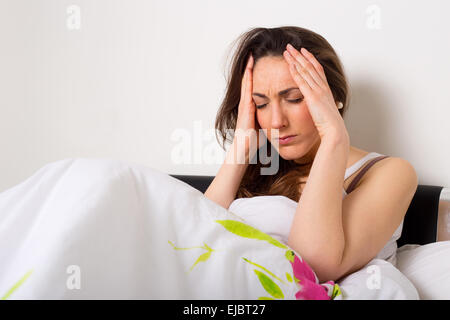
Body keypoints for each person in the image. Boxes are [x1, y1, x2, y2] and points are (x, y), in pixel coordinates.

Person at [204, 26, 418, 285]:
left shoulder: (392, 173)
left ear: (333, 96)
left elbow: (311, 267)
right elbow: (196, 237)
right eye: (260, 103)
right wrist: (242, 144)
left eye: (294, 98)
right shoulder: (259, 167)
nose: (276, 121)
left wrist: (334, 137)